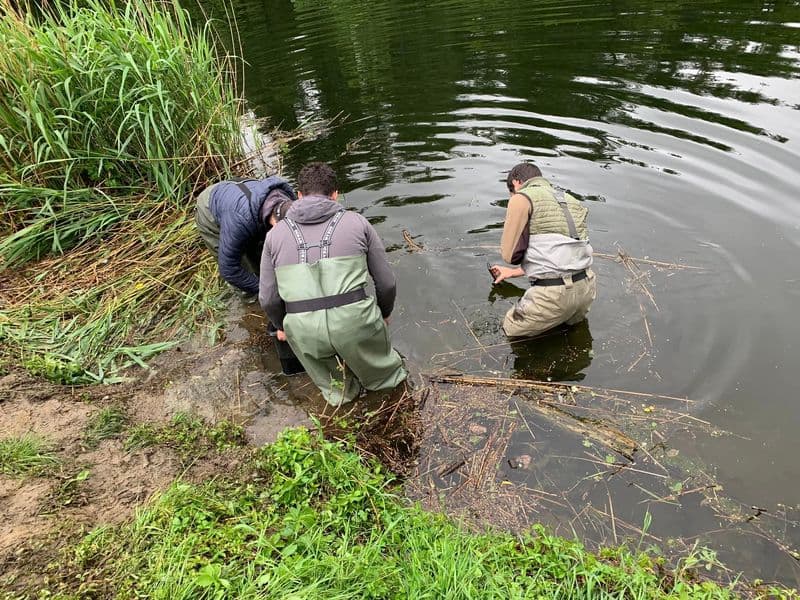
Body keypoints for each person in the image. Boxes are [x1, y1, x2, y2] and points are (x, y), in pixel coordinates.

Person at [259, 162, 407, 406]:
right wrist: (384, 313)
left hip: (303, 329)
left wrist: (281, 326)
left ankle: (345, 411)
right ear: (335, 194)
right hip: (354, 322)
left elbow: (268, 298)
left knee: (337, 390)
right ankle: (391, 406)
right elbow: (386, 283)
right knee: (386, 379)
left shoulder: (273, 235)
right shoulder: (357, 222)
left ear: (298, 196)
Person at [490, 162, 596, 337]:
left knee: (507, 331)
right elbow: (560, 255)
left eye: (511, 191)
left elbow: (509, 255)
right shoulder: (571, 200)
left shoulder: (521, 198)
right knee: (568, 333)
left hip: (552, 297)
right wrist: (512, 273)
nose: (512, 196)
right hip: (586, 289)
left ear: (516, 182)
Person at [195, 176, 296, 296]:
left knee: (262, 257)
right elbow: (229, 270)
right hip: (210, 210)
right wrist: (268, 292)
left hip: (245, 199)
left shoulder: (291, 203)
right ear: (276, 224)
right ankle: (250, 301)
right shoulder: (238, 223)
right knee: (243, 269)